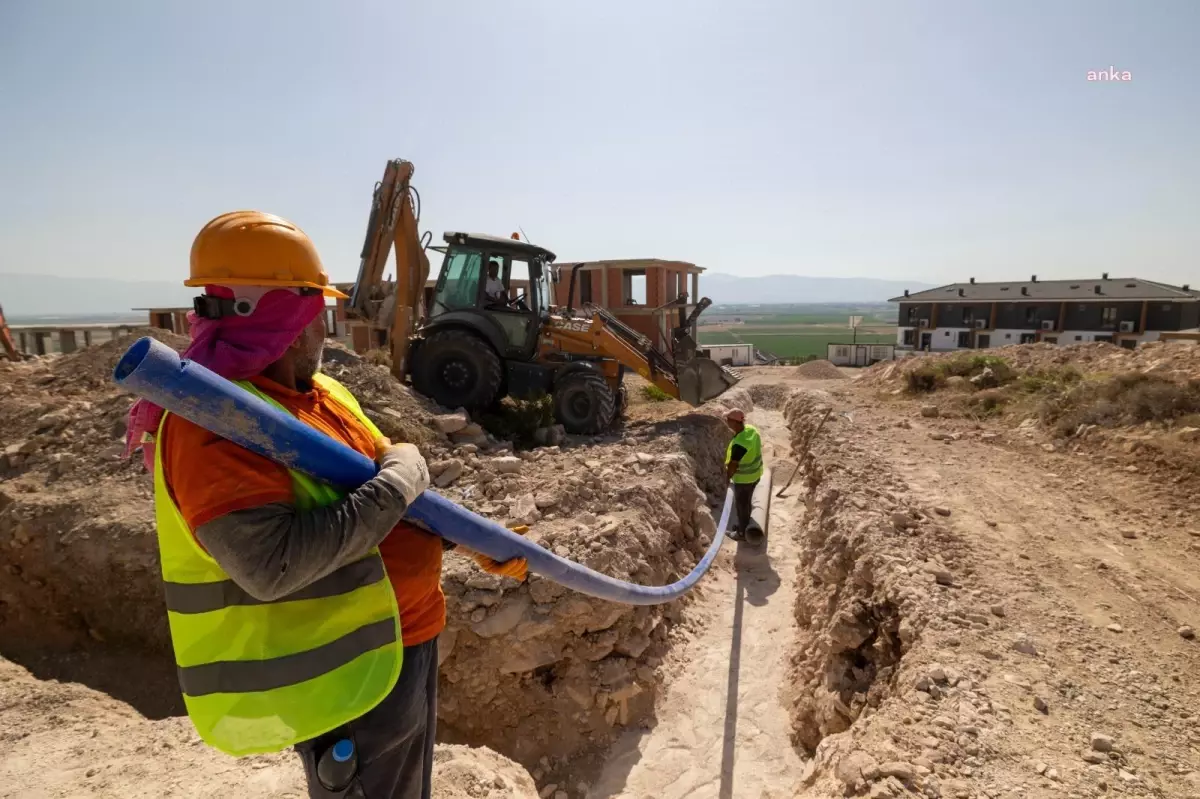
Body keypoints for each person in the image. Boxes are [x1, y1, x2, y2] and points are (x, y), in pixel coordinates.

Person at [125, 210, 527, 799]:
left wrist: (462, 538)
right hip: (343, 678)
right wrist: (404, 475)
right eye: (321, 313)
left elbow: (376, 480)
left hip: (399, 643)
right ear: (293, 317)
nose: (328, 329)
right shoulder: (214, 427)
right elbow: (273, 565)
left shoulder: (318, 393)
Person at [723, 408, 764, 541]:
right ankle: (744, 525)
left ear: (735, 422)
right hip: (756, 475)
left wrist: (727, 477)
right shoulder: (751, 430)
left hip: (744, 479)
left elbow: (733, 465)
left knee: (742, 505)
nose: (727, 422)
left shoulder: (739, 444)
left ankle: (741, 533)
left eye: (728, 420)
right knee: (747, 502)